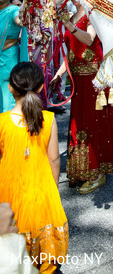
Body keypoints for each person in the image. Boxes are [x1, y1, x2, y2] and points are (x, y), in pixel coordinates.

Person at [0, 62, 68, 273]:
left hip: (9, 194)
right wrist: (53, 188)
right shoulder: (48, 119)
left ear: (10, 88)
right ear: (40, 88)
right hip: (42, 192)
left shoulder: (2, 122)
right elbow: (54, 159)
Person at [50, 0, 113, 193]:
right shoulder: (71, 16)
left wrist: (68, 25)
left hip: (93, 80)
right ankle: (80, 171)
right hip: (78, 80)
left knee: (93, 124)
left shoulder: (93, 16)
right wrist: (60, 73)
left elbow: (88, 40)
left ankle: (97, 173)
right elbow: (71, 52)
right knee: (78, 124)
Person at [0, 0, 29, 113]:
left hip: (7, 65)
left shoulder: (13, 11)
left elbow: (19, 21)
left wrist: (22, 19)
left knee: (7, 105)